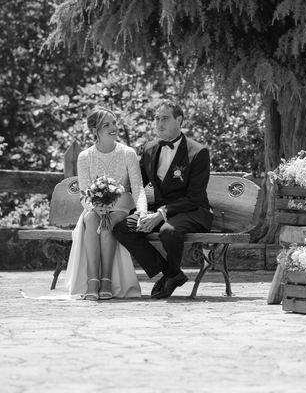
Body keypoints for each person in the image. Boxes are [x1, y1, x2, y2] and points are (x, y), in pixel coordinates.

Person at [113, 101, 213, 299]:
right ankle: (172, 274)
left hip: (192, 211)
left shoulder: (198, 152)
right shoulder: (149, 149)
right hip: (158, 211)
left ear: (179, 120)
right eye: (157, 118)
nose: (159, 123)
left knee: (169, 231)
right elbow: (137, 184)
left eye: (165, 119)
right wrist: (112, 192)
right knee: (122, 228)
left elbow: (194, 197)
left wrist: (161, 214)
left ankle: (171, 275)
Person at [66, 107, 146, 300]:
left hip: (121, 207)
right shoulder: (85, 156)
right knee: (92, 219)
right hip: (95, 207)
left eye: (114, 123)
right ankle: (93, 280)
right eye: (107, 125)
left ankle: (107, 279)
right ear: (95, 129)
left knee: (110, 221)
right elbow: (84, 193)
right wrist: (95, 207)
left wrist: (142, 212)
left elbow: (138, 187)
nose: (113, 128)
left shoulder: (128, 153)